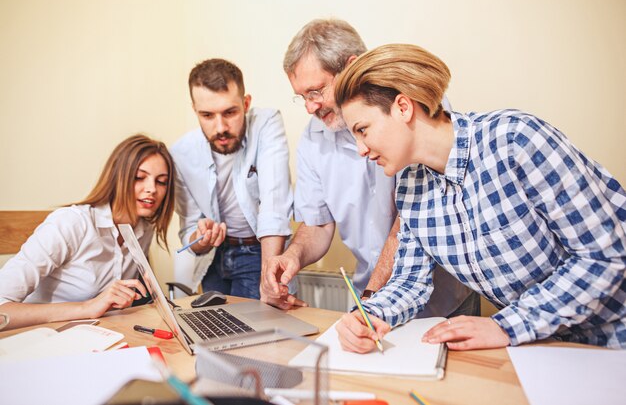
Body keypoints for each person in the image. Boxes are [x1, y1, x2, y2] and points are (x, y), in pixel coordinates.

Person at [332, 43, 626, 351]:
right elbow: (409, 282)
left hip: (613, 334)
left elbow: (605, 254)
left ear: (403, 108)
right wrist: (369, 315)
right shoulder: (409, 186)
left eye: (363, 130)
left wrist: (506, 325)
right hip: (545, 345)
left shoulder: (515, 140)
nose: (361, 150)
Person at [261, 18, 478, 318]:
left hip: (443, 299)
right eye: (302, 98)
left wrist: (369, 303)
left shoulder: (412, 107)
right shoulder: (313, 139)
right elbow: (317, 222)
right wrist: (292, 256)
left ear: (352, 67)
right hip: (373, 297)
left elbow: (412, 219)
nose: (310, 107)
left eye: (315, 92)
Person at [0, 134, 176, 330]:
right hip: (39, 337)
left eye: (161, 182)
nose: (152, 189)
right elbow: (2, 308)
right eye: (139, 177)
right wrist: (87, 308)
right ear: (118, 178)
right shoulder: (72, 222)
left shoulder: (144, 230)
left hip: (97, 335)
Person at [172, 58, 292, 300]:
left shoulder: (267, 123)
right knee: (215, 332)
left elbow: (274, 204)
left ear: (246, 103)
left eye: (230, 112)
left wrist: (268, 279)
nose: (220, 128)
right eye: (207, 115)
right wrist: (202, 239)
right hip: (212, 258)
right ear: (195, 110)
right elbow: (189, 232)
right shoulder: (181, 153)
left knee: (256, 332)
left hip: (258, 251)